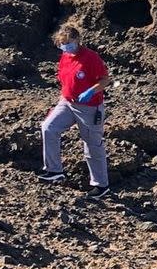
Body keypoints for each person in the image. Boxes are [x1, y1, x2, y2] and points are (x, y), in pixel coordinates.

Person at [38, 25, 110, 199]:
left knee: (92, 144)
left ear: (77, 40)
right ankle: (54, 170)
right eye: (62, 44)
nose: (65, 46)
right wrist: (63, 99)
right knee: (48, 127)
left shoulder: (91, 58)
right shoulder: (65, 56)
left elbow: (105, 80)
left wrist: (91, 91)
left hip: (89, 107)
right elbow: (64, 79)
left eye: (68, 43)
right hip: (67, 103)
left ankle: (101, 186)